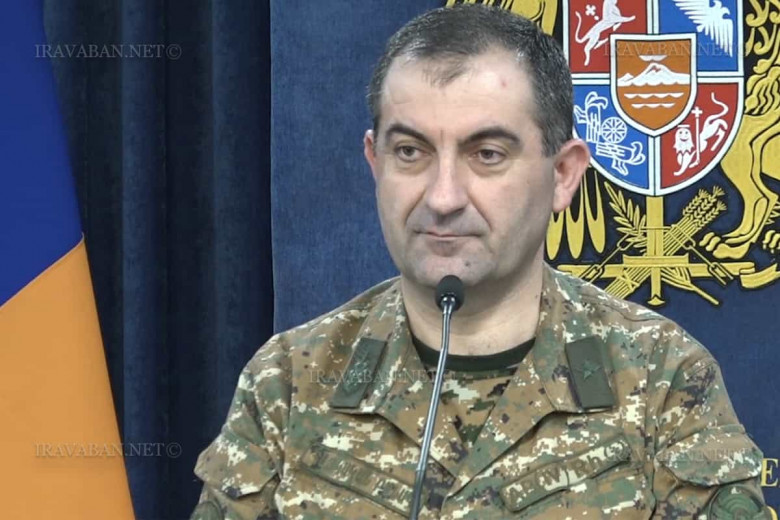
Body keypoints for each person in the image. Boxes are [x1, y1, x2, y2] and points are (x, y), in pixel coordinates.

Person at [190, 4, 769, 518]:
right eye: (410, 152)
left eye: (487, 154)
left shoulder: (661, 376)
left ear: (562, 175)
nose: (443, 197)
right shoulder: (289, 380)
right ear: (375, 163)